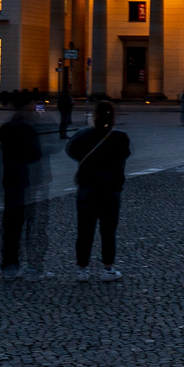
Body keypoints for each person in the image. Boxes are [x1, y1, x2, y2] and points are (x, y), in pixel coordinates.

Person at [67, 99, 131, 282]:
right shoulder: (120, 137)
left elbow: (71, 150)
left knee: (85, 229)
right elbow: (124, 155)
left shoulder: (83, 135)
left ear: (95, 116)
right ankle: (108, 268)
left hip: (88, 187)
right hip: (110, 189)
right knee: (108, 230)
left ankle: (82, 269)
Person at [0, 97, 44, 279]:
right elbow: (36, 154)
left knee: (10, 224)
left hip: (8, 178)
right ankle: (31, 265)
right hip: (24, 180)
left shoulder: (6, 128)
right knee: (27, 223)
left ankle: (9, 264)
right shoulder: (28, 129)